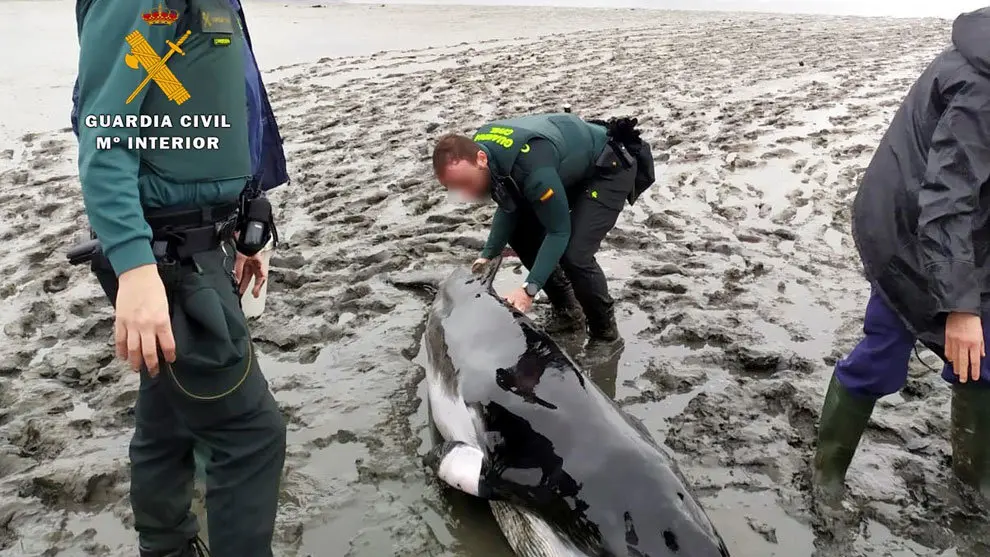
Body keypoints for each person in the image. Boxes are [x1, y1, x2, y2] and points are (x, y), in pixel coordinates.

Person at [72, 0, 288, 555]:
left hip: (203, 240)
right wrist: (135, 267)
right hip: (170, 256)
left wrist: (248, 231)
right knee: (250, 434)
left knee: (167, 417)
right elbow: (106, 132)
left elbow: (219, 107)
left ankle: (166, 546)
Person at [813, 7, 990, 504]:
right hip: (909, 232)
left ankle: (974, 481)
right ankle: (827, 474)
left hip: (970, 229)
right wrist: (960, 308)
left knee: (983, 358)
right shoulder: (981, 88)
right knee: (884, 352)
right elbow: (947, 200)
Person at [432, 113, 654, 346]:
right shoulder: (484, 154)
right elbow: (509, 206)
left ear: (480, 159)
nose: (466, 194)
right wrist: (488, 253)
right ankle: (568, 310)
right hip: (566, 167)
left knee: (575, 254)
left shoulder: (533, 173)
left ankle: (606, 335)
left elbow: (559, 232)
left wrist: (529, 289)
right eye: (455, 188)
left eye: (466, 183)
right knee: (520, 232)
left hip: (609, 168)